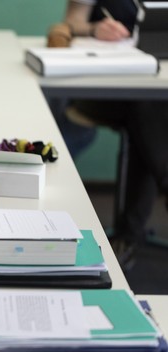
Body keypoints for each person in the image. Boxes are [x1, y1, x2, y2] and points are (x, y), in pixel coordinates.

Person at [60, 0, 168, 265]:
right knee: (147, 106)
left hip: (158, 86)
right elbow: (71, 22)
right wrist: (95, 28)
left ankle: (127, 237)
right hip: (103, 88)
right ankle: (129, 234)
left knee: (150, 107)